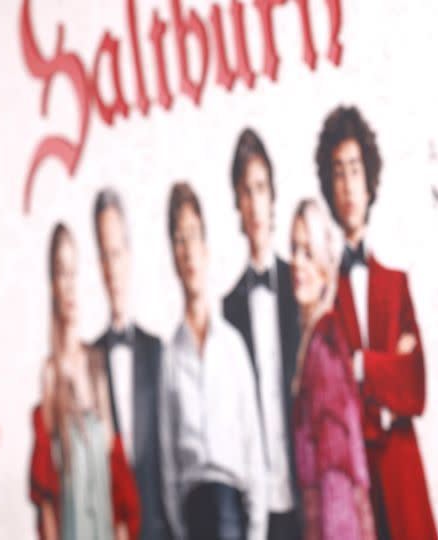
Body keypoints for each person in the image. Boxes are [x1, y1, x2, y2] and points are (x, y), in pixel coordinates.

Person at [315, 106, 438, 540]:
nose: (348, 184)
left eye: (354, 169)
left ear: (369, 180)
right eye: (338, 172)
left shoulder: (394, 283)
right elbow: (333, 393)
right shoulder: (323, 296)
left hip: (401, 467)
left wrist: (363, 364)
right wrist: (389, 370)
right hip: (354, 477)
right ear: (329, 186)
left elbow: (416, 386)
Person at [159, 182, 267, 540]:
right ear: (173, 256)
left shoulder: (233, 347)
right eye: (179, 240)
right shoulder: (171, 358)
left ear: (206, 248)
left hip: (232, 508)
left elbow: (253, 447)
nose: (188, 251)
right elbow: (169, 466)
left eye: (192, 237)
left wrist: (254, 531)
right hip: (195, 514)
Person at [29, 223, 140, 540]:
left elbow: (115, 474)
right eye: (63, 273)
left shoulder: (96, 364)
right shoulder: (50, 373)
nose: (71, 285)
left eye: (75, 272)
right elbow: (46, 495)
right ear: (53, 283)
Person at [222, 128, 303, 540]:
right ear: (236, 202)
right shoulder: (227, 309)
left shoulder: (301, 287)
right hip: (257, 510)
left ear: (272, 196)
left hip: (307, 494)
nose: (254, 202)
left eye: (260, 188)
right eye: (245, 191)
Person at [290, 199, 376, 540]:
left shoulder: (324, 344)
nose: (296, 262)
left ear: (325, 267)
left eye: (308, 253)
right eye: (294, 249)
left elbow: (336, 475)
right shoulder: (314, 340)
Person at [91, 187, 171, 540]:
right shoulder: (88, 361)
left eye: (118, 253)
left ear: (131, 254)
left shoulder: (158, 352)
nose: (112, 268)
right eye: (105, 257)